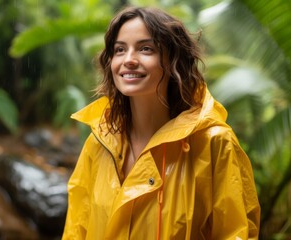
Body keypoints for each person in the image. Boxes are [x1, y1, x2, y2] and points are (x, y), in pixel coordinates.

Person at [62, 6, 260, 240]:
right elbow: (77, 230)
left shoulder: (213, 144)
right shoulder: (99, 144)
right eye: (120, 50)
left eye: (146, 49)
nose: (129, 60)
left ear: (173, 61)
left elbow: (235, 233)